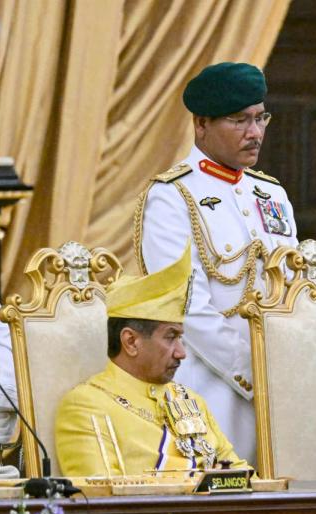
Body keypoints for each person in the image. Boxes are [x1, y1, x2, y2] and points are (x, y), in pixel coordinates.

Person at [133, 62, 298, 462]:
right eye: (239, 120)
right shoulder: (172, 196)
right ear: (201, 124)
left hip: (285, 389)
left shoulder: (271, 194)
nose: (255, 133)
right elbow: (187, 307)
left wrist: (290, 372)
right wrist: (254, 374)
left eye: (261, 118)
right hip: (209, 387)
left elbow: (295, 290)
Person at [56, 242, 247, 477]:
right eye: (170, 337)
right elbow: (102, 502)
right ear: (131, 342)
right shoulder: (87, 405)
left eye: (180, 338)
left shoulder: (191, 401)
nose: (181, 353)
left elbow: (242, 478)